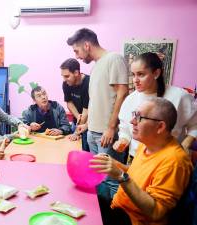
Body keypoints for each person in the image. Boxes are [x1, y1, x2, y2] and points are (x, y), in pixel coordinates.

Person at [90, 98, 193, 225]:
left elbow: (156, 211)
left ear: (160, 126)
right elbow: (135, 175)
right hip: (118, 209)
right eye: (134, 115)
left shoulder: (175, 161)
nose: (132, 121)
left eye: (139, 117)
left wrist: (120, 176)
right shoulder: (146, 144)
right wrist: (114, 165)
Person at [67, 28, 129, 200]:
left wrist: (111, 127)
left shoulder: (114, 59)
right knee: (99, 179)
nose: (77, 56)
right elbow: (98, 102)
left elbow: (122, 93)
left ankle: (117, 217)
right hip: (92, 133)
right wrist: (86, 125)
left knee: (112, 180)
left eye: (77, 51)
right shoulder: (95, 68)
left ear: (87, 45)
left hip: (106, 134)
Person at [113, 52, 197, 160]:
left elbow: (194, 125)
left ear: (156, 73)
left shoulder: (180, 96)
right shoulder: (130, 99)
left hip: (169, 159)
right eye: (133, 74)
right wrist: (123, 140)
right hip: (138, 158)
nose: (135, 80)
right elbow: (124, 128)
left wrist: (186, 144)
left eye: (141, 74)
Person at [60, 58, 90, 151]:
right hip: (77, 122)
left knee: (85, 151)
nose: (64, 79)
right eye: (63, 76)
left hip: (89, 124)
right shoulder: (66, 84)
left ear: (76, 73)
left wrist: (77, 133)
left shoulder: (89, 83)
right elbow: (69, 103)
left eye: (67, 76)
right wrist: (78, 116)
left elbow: (86, 111)